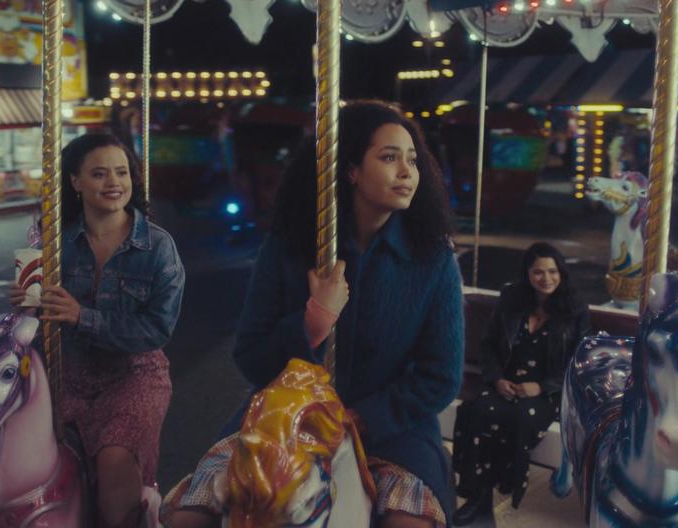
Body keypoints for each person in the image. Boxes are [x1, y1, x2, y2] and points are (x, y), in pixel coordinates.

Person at [162, 100, 464, 528]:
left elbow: (440, 375)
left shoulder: (432, 260)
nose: (406, 172)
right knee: (188, 517)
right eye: (389, 157)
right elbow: (251, 354)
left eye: (412, 160)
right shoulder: (289, 248)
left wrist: (362, 418)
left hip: (394, 429)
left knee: (407, 522)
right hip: (284, 417)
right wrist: (312, 324)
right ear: (351, 170)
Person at [4, 133, 185, 527]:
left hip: (134, 373)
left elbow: (157, 328)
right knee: (1, 441)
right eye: (99, 174)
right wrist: (28, 303)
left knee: (114, 457)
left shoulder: (157, 247)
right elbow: (39, 314)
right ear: (75, 182)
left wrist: (80, 317)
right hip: (69, 373)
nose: (113, 183)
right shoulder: (54, 241)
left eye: (121, 172)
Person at [451, 242, 589, 526]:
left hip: (548, 393)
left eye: (552, 271)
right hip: (506, 384)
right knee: (476, 411)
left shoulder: (574, 310)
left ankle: (504, 488)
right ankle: (478, 499)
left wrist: (541, 387)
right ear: (527, 274)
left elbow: (578, 361)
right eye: (538, 272)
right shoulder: (512, 300)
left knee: (516, 419)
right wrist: (496, 379)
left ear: (561, 272)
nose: (546, 278)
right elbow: (489, 344)